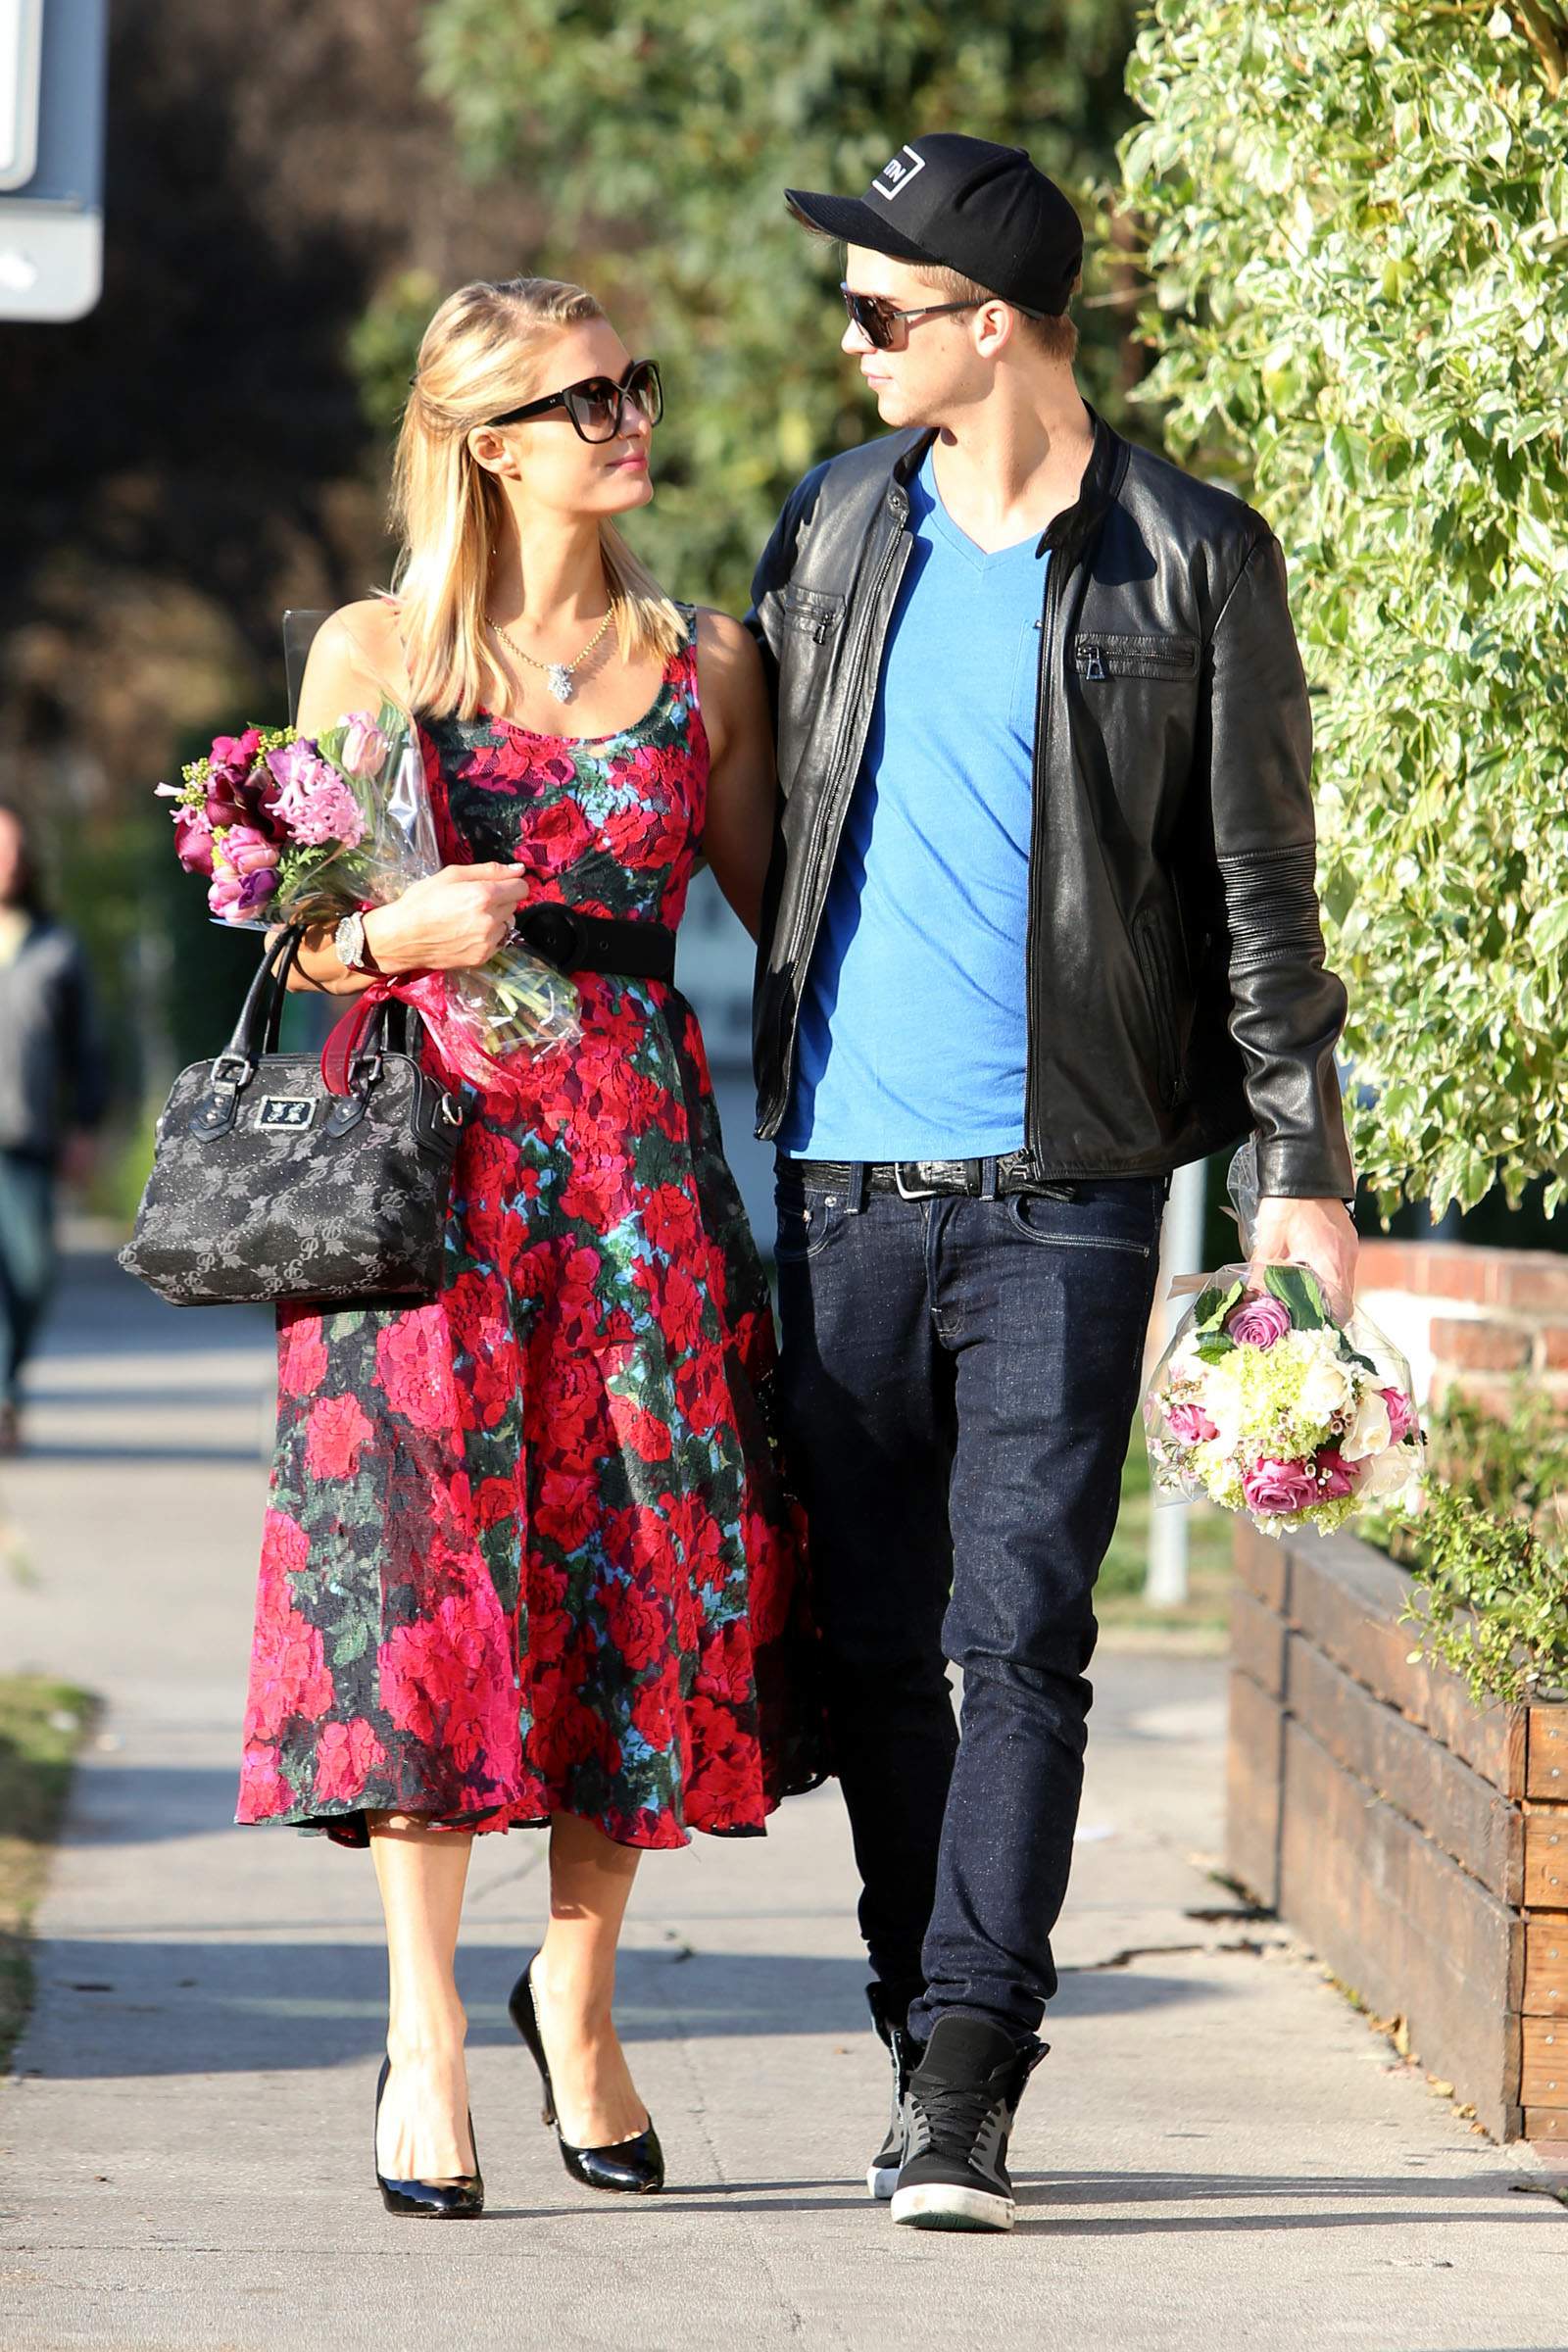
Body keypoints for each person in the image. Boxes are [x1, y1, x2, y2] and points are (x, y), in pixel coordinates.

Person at [747, 134, 1357, 2233]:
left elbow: (1257, 891)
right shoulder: (829, 529)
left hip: (1067, 1191)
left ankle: (962, 2080)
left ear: (986, 327)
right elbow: (744, 817)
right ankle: (918, 2009)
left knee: (1016, 1640)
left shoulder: (1190, 560)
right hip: (831, 1185)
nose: (849, 343)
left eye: (878, 311)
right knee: (866, 1640)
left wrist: (1302, 1172)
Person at [244, 275, 821, 2217]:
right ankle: (419, 2037)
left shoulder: (706, 663)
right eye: (581, 397)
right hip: (427, 1188)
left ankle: (572, 1987)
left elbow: (792, 922)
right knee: (433, 1599)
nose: (624, 419)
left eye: (632, 385)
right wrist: (400, 934)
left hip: (637, 1185)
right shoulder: (371, 657)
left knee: (633, 1590)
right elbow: (299, 929)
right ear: (485, 441)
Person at [0, 801, 108, 1455]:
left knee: (32, 1274)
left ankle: (6, 1383)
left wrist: (86, 1127)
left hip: (28, 1138)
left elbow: (86, 1048)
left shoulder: (56, 945)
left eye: (12, 848)